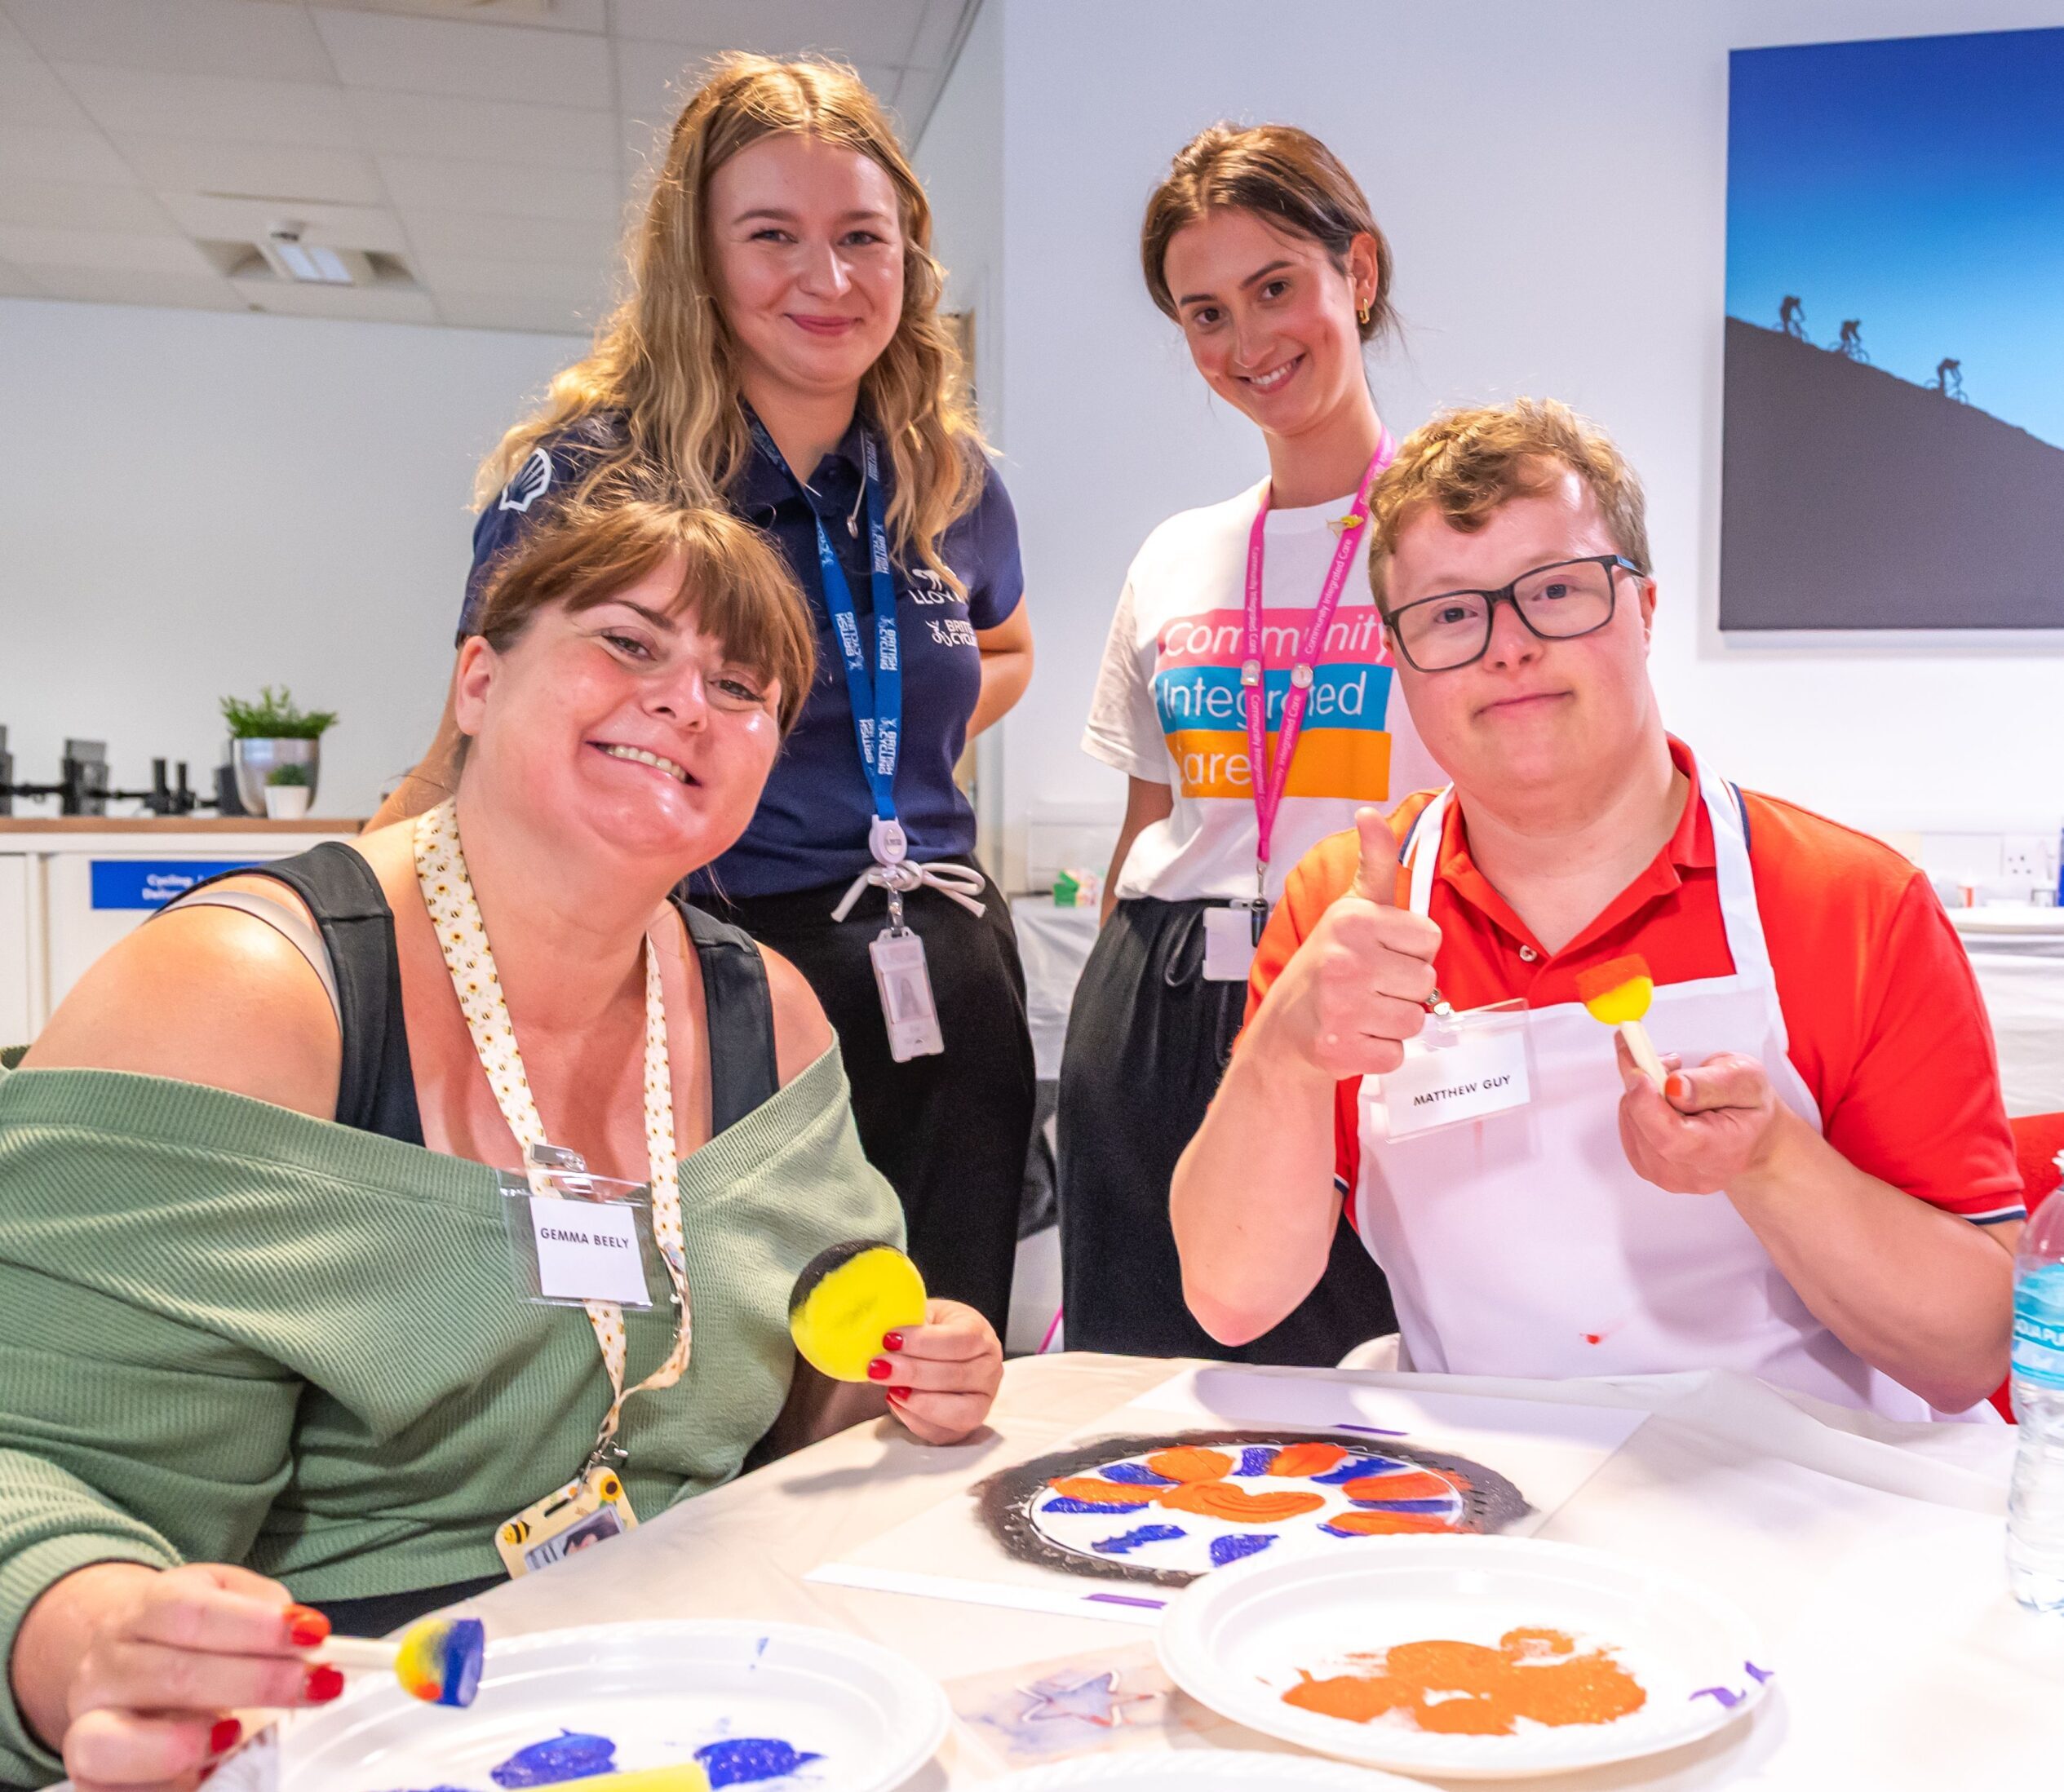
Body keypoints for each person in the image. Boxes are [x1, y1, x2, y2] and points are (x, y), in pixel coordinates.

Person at [0, 499, 1004, 1792]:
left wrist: (908, 1373)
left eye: (738, 684)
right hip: (343, 1718)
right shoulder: (246, 993)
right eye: (631, 644)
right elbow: (33, 1465)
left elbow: (809, 1391)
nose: (685, 700)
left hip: (697, 1698)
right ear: (477, 680)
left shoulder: (770, 1012)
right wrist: (88, 1642)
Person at [1172, 398, 2023, 1421]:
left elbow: (1964, 1351)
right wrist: (1284, 1051)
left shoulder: (1851, 906)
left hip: (1800, 1509)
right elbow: (1230, 1297)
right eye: (1450, 613)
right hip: (1480, 1502)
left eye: (1557, 591)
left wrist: (1768, 1160)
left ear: (1646, 610)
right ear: (1397, 662)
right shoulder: (1352, 910)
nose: (1507, 647)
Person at [370, 55, 1035, 1339]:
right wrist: (346, 933)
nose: (828, 280)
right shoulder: (598, 472)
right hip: (700, 961)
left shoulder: (948, 481)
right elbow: (480, 726)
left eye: (862, 237)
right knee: (725, 1360)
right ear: (699, 258)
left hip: (937, 962)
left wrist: (871, 758)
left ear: (911, 257)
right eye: (771, 236)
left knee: (941, 1347)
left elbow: (999, 652)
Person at [1058, 124, 1435, 1361]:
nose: (1245, 341)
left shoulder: (1451, 545)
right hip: (1154, 996)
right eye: (1203, 312)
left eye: (1275, 287)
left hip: (1357, 993)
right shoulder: (1175, 557)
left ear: (1357, 274)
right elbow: (1142, 828)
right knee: (1131, 1382)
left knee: (1345, 1386)